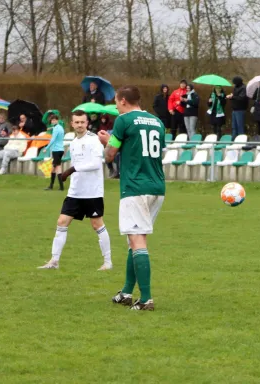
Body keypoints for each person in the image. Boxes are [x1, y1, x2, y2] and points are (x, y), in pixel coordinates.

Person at [97, 85, 166, 311]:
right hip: (157, 186)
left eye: (116, 102)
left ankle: (146, 299)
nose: (116, 106)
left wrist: (107, 141)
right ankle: (126, 292)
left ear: (124, 101)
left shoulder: (124, 120)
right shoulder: (157, 122)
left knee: (137, 242)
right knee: (134, 240)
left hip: (135, 187)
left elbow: (110, 155)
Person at [37, 110, 112, 271]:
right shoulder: (73, 142)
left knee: (97, 224)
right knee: (61, 222)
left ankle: (108, 262)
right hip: (75, 192)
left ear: (87, 123)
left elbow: (96, 164)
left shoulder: (94, 140)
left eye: (82, 122)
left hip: (92, 191)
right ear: (72, 124)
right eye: (76, 122)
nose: (79, 125)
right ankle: (54, 261)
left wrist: (71, 170)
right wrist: (72, 174)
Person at [44, 114, 66, 191]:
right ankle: (51, 186)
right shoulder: (60, 127)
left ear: (57, 120)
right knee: (53, 168)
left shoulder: (56, 129)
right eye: (52, 120)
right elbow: (57, 130)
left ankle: (61, 187)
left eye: (54, 120)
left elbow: (53, 139)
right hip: (61, 150)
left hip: (56, 150)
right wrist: (51, 128)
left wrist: (46, 148)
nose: (52, 121)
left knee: (57, 168)